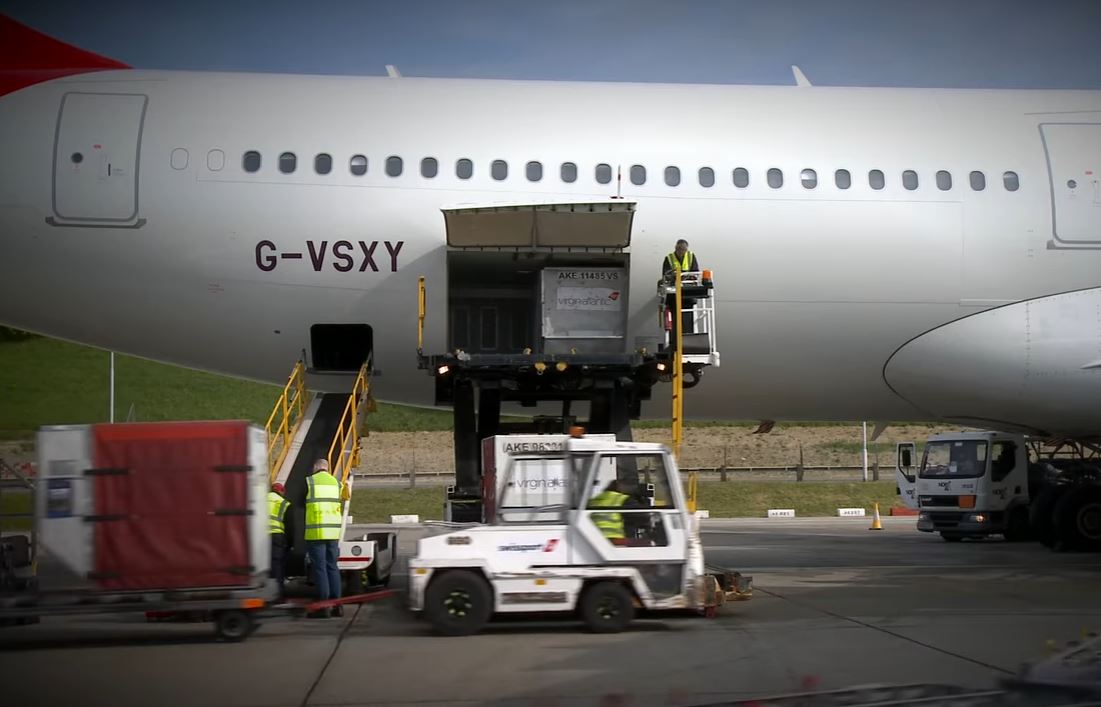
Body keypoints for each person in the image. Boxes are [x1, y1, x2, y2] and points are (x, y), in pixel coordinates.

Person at [304, 458, 348, 618]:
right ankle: (338, 606)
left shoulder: (310, 482)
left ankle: (323, 607)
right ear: (327, 468)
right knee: (333, 567)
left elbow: (301, 503)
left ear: (315, 467)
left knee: (320, 568)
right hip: (333, 533)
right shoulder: (337, 483)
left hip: (316, 532)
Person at [661, 239, 700, 337]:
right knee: (675, 318)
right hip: (673, 294)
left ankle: (688, 337)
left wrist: (685, 276)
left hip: (688, 294)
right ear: (675, 248)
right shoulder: (669, 258)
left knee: (687, 317)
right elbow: (665, 274)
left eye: (683, 249)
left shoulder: (691, 256)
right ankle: (674, 340)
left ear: (686, 249)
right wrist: (674, 275)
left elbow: (695, 272)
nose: (681, 251)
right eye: (679, 249)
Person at [268, 482, 290, 601]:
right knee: (277, 565)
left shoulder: (260, 500)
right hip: (276, 535)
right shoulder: (283, 503)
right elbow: (290, 525)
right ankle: (278, 594)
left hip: (260, 538)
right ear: (281, 492)